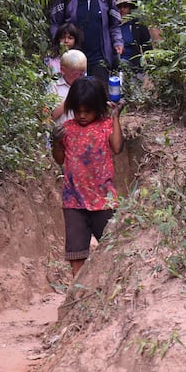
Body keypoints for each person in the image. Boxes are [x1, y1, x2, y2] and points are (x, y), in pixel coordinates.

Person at [51, 77, 124, 276]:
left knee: (112, 248)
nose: (82, 116)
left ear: (98, 108)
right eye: (78, 111)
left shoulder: (106, 125)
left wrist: (116, 117)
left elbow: (117, 147)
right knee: (76, 254)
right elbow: (59, 160)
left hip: (104, 200)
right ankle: (77, 296)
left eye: (88, 111)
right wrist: (56, 143)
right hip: (73, 200)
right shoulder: (67, 129)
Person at [49, 0, 124, 83]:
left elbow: (114, 24)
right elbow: (55, 23)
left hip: (100, 57)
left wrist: (117, 42)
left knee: (99, 94)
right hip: (73, 58)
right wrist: (59, 43)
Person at [115, 0, 152, 78]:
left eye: (125, 6)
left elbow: (147, 46)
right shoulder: (112, 25)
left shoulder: (138, 25)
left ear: (130, 8)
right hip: (115, 67)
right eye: (119, 7)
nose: (122, 10)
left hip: (135, 67)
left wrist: (149, 66)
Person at [49, 49, 87, 124]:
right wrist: (69, 100)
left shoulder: (87, 86)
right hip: (60, 131)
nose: (79, 77)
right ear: (62, 70)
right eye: (75, 74)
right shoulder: (54, 87)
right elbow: (49, 117)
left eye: (82, 74)